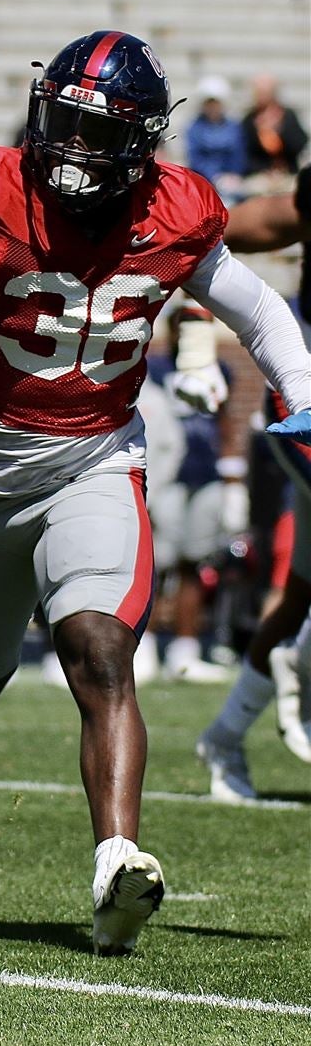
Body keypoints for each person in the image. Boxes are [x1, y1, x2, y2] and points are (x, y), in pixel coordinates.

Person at [0, 30, 311, 956]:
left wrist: (306, 399)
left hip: (95, 457)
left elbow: (259, 308)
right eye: (62, 120)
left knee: (100, 653)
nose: (72, 146)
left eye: (96, 131)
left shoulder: (175, 212)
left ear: (144, 144)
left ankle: (117, 860)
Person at [198, 165, 311, 799]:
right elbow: (202, 234)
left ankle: (225, 735)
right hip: (306, 401)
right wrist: (193, 339)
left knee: (299, 593)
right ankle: (302, 664)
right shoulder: (299, 206)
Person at [145, 305, 235, 682]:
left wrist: (232, 472)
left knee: (194, 563)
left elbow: (224, 421)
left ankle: (185, 649)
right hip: (166, 476)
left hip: (204, 475)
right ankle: (143, 647)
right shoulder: (156, 369)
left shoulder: (221, 370)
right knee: (152, 563)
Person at [184, 75, 246, 204]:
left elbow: (238, 154)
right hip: (203, 182)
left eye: (216, 103)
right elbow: (195, 159)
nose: (213, 108)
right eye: (209, 103)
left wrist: (233, 175)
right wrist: (215, 177)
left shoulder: (233, 127)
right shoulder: (194, 128)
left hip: (231, 183)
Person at [240, 73, 308, 181]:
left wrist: (280, 129)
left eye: (265, 92)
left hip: (287, 174)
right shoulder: (250, 119)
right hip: (260, 176)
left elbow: (299, 144)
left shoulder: (287, 115)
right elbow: (245, 153)